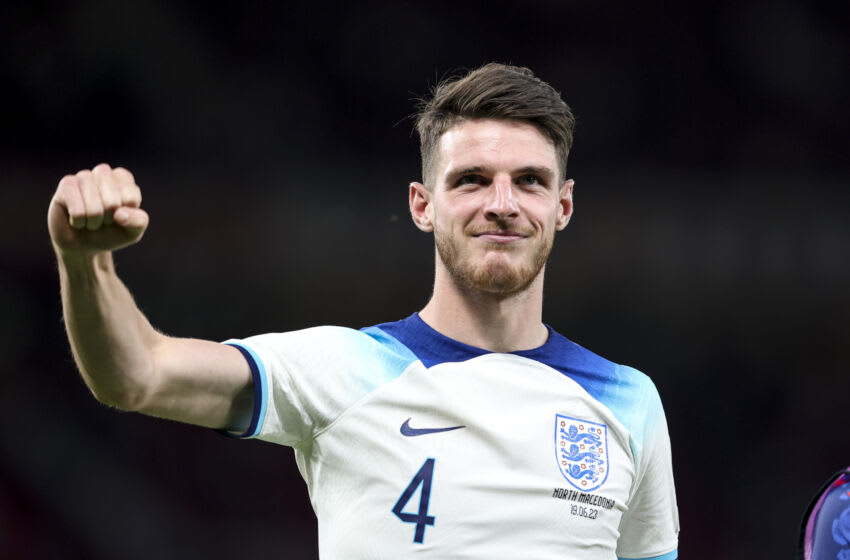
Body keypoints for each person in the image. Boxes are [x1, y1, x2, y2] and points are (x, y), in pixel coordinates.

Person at [48, 63, 679, 559]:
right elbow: (137, 375)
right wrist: (84, 263)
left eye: (530, 181)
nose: (503, 203)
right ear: (422, 204)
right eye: (471, 180)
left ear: (562, 207)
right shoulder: (341, 369)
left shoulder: (630, 402)